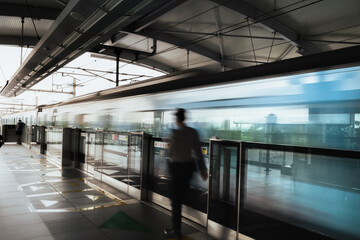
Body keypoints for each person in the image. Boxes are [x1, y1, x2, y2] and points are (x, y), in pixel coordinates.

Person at [165, 108, 208, 240]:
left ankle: (176, 231)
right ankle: (179, 227)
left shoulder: (174, 134)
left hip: (176, 169)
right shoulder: (193, 132)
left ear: (177, 120)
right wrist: (203, 169)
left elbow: (171, 154)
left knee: (176, 202)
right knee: (182, 196)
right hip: (188, 170)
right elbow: (198, 152)